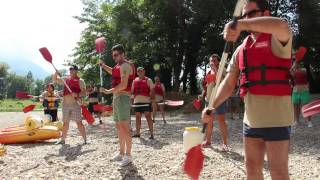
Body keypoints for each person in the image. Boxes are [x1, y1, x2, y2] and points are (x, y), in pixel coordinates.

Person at [202, 0, 294, 179]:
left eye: (252, 14)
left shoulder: (278, 37)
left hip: (277, 119)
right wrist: (211, 106)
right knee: (251, 168)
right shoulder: (241, 50)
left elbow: (282, 25)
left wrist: (240, 24)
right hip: (250, 120)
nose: (246, 19)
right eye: (244, 15)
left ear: (266, 12)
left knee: (278, 171)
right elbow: (228, 83)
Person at [99, 44, 135, 167]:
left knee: (125, 127)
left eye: (116, 55)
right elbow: (113, 71)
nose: (114, 58)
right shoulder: (118, 66)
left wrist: (108, 91)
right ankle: (121, 153)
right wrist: (104, 66)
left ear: (122, 54)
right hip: (117, 97)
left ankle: (128, 155)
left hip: (123, 97)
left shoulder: (125, 65)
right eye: (113, 55)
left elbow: (124, 85)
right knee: (119, 127)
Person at [198, 54, 229, 151]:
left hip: (219, 99)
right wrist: (202, 94)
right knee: (209, 121)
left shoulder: (222, 69)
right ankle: (208, 141)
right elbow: (208, 85)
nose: (212, 62)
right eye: (211, 61)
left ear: (219, 61)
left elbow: (224, 82)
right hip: (208, 100)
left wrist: (216, 70)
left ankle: (225, 144)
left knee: (221, 121)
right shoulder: (209, 71)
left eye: (214, 61)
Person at [53, 65, 87, 145]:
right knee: (65, 123)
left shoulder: (80, 81)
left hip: (76, 104)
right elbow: (55, 79)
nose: (70, 70)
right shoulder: (65, 79)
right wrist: (56, 73)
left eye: (72, 69)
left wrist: (77, 94)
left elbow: (84, 92)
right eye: (70, 69)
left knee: (79, 123)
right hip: (65, 104)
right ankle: (62, 140)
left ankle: (85, 140)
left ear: (76, 71)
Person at [131, 67, 155, 140]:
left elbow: (152, 90)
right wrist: (131, 100)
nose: (140, 72)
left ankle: (152, 134)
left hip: (146, 101)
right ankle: (138, 133)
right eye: (138, 71)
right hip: (137, 102)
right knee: (138, 118)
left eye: (141, 71)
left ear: (144, 72)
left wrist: (152, 99)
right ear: (137, 73)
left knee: (148, 117)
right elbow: (132, 91)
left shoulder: (149, 80)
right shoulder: (134, 81)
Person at [291, 62, 313, 128]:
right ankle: (296, 121)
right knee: (295, 106)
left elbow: (300, 74)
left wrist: (293, 68)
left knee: (306, 106)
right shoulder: (293, 70)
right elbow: (290, 75)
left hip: (304, 90)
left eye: (296, 63)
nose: (295, 64)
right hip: (295, 90)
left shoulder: (304, 70)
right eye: (294, 63)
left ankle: (309, 122)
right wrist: (292, 68)